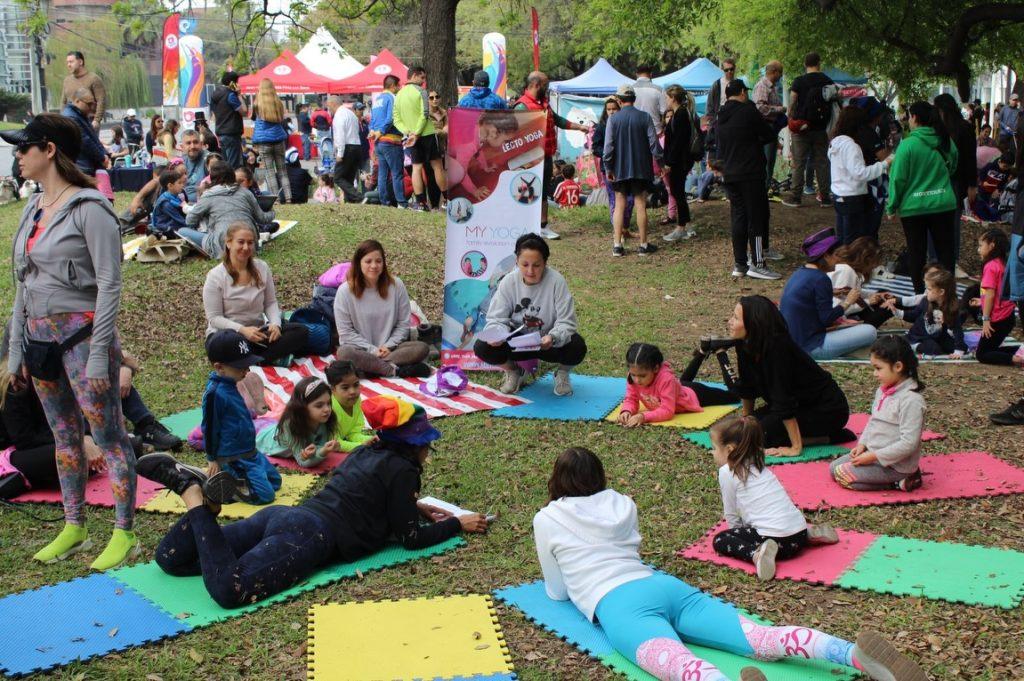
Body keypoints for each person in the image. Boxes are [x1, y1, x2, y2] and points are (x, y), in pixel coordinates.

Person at [532, 447, 925, 681]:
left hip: (618, 605)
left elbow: (557, 590)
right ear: (600, 477)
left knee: (684, 668)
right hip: (664, 587)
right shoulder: (623, 502)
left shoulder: (548, 518)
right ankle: (852, 654)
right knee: (758, 636)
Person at [139, 394, 488, 609]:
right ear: (416, 444)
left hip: (285, 517)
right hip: (310, 536)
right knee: (231, 590)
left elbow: (366, 494)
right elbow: (411, 539)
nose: (428, 451)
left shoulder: (369, 452)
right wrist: (456, 523)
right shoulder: (403, 471)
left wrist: (413, 507)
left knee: (172, 559)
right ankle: (194, 499)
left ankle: (207, 504)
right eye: (426, 443)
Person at [3, 114, 139, 570]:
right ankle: (74, 525)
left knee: (108, 436)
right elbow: (23, 282)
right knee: (64, 437)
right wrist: (16, 350)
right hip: (40, 340)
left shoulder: (90, 206)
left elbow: (110, 284)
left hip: (83, 339)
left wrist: (101, 355)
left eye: (24, 148)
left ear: (49, 150)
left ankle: (123, 533)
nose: (17, 156)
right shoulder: (32, 207)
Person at [710, 417, 839, 580]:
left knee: (721, 539)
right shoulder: (760, 466)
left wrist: (737, 533)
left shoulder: (727, 472)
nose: (712, 452)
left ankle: (756, 555)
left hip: (778, 544)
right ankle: (809, 533)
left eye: (714, 448)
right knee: (781, 524)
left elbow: (731, 512)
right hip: (797, 535)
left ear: (729, 449)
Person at [727, 295, 853, 456]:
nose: (730, 321)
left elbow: (783, 399)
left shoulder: (777, 348)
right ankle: (796, 435)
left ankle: (824, 438)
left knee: (760, 438)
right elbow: (747, 385)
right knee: (739, 433)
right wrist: (746, 419)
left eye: (736, 318)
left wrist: (795, 448)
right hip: (797, 405)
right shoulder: (743, 342)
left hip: (826, 410)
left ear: (754, 325)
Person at [474, 234, 587, 395]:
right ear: (516, 262)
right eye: (524, 264)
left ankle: (562, 373)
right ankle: (514, 371)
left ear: (545, 264)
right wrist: (497, 334)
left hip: (547, 341)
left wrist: (553, 337)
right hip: (517, 342)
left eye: (536, 265)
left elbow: (567, 322)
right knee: (483, 346)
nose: (530, 271)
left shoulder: (557, 281)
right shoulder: (508, 282)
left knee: (577, 345)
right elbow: (496, 318)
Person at [203, 223, 309, 365]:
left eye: (250, 243)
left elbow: (270, 302)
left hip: (258, 332)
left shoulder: (262, 267)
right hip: (229, 335)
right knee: (224, 346)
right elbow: (214, 318)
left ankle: (253, 360)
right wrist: (243, 330)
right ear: (228, 243)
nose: (246, 247)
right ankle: (258, 357)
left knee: (300, 331)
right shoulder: (215, 276)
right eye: (241, 242)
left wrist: (275, 324)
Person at [831, 336, 925, 492]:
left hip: (895, 465)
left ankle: (901, 480)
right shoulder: (882, 391)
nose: (875, 374)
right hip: (874, 456)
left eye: (878, 368)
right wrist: (862, 445)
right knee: (833, 468)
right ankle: (897, 482)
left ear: (898, 367)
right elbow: (873, 421)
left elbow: (909, 443)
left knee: (843, 475)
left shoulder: (911, 400)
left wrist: (873, 456)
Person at [198, 330, 281, 505]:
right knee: (265, 496)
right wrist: (212, 458)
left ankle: (235, 478)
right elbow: (210, 427)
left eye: (247, 364)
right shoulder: (215, 394)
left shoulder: (231, 384)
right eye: (240, 366)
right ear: (219, 367)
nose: (246, 370)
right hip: (234, 457)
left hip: (250, 451)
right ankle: (226, 485)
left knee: (276, 482)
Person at [887, 101, 958, 293]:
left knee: (917, 252)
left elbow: (898, 179)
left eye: (909, 116)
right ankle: (947, 294)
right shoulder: (945, 140)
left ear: (915, 118)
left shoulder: (908, 145)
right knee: (946, 252)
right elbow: (952, 166)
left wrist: (892, 206)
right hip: (943, 204)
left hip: (913, 208)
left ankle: (920, 295)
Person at [334, 239, 432, 379]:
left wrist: (388, 346)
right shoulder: (344, 291)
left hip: (391, 350)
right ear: (358, 263)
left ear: (383, 263)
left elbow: (403, 324)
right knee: (344, 353)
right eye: (368, 261)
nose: (374, 266)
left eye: (378, 261)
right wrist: (373, 350)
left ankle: (369, 369)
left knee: (422, 348)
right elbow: (346, 332)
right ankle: (395, 371)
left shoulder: (396, 285)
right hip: (361, 350)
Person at [715, 79, 780, 279]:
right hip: (751, 172)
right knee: (756, 217)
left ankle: (739, 263)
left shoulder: (720, 116)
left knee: (738, 217)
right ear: (743, 92)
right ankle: (758, 263)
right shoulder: (748, 111)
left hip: (730, 172)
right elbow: (768, 134)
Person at [514, 71, 590, 239]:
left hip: (546, 157)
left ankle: (543, 226)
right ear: (535, 85)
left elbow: (558, 120)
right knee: (527, 192)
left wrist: (579, 127)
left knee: (543, 192)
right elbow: (515, 136)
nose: (547, 89)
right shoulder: (521, 106)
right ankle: (524, 226)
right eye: (546, 86)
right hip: (529, 161)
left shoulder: (544, 104)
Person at [780, 228, 878, 359]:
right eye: (836, 255)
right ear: (826, 255)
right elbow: (826, 319)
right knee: (870, 331)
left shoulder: (800, 272)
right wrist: (847, 302)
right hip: (810, 346)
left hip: (793, 340)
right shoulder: (821, 278)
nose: (839, 260)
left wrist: (830, 293)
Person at [616, 343, 735, 428]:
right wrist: (626, 411)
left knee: (734, 395)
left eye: (642, 376)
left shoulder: (666, 380)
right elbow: (631, 399)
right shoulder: (633, 376)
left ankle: (720, 351)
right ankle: (703, 351)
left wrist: (643, 416)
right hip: (678, 388)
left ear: (656, 368)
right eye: (633, 375)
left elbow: (667, 411)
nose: (637, 380)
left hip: (695, 395)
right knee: (682, 382)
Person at [604, 84, 661, 257]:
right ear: (634, 99)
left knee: (619, 204)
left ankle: (617, 245)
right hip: (641, 168)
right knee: (640, 204)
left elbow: (608, 148)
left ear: (620, 101)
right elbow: (654, 144)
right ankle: (643, 245)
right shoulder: (645, 117)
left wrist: (608, 167)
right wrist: (662, 162)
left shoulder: (613, 120)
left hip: (619, 169)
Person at [182, 161, 276, 258]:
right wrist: (272, 211)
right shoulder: (245, 192)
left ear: (211, 177)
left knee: (182, 231)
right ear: (232, 175)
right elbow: (262, 218)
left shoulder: (208, 195)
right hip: (249, 244)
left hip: (223, 245)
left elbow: (190, 220)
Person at [828, 106, 891, 244]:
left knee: (842, 237)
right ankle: (851, 263)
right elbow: (861, 173)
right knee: (853, 239)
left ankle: (840, 262)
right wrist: (885, 164)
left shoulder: (835, 142)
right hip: (852, 197)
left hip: (838, 195)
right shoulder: (851, 146)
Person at [782, 52, 836, 207]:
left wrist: (791, 120)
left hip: (801, 128)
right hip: (820, 128)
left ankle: (796, 198)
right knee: (822, 162)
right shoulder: (827, 80)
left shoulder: (799, 81)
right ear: (819, 63)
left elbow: (792, 102)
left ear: (805, 64)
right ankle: (825, 198)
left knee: (799, 162)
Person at [962, 229, 1022, 365]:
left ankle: (1016, 358)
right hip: (1007, 315)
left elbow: (990, 294)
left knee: (982, 354)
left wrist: (986, 320)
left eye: (981, 245)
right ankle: (1020, 350)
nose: (978, 250)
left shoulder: (990, 266)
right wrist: (981, 301)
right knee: (990, 348)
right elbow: (994, 293)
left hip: (998, 318)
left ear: (992, 245)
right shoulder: (1001, 263)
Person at [934, 93, 978, 274]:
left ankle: (949, 260)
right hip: (949, 181)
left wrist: (972, 185)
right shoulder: (938, 129)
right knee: (946, 221)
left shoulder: (961, 129)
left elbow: (969, 159)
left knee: (949, 221)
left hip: (952, 180)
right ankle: (945, 260)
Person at [256, 376, 343, 468]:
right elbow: (303, 462)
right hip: (264, 441)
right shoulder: (291, 426)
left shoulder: (323, 420)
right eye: (319, 405)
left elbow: (320, 446)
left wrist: (325, 448)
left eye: (328, 403)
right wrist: (324, 451)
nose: (327, 409)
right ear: (302, 408)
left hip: (274, 427)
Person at [394, 66, 446, 210]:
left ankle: (421, 203)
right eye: (422, 78)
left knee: (416, 168)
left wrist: (408, 132)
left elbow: (396, 119)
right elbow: (424, 114)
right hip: (427, 133)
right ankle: (447, 199)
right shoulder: (421, 91)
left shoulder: (399, 94)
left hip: (411, 136)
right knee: (437, 166)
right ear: (414, 75)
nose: (424, 81)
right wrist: (417, 133)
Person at [884, 268, 966, 357]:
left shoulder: (951, 308)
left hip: (940, 336)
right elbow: (913, 315)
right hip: (920, 336)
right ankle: (913, 345)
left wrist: (959, 350)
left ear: (941, 292)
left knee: (961, 347)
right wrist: (897, 312)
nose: (926, 291)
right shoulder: (925, 301)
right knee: (934, 350)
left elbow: (957, 330)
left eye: (929, 289)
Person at [828, 237, 892, 327]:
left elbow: (851, 293)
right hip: (834, 320)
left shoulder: (849, 269)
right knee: (886, 309)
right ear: (867, 259)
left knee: (883, 296)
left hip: (841, 312)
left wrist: (873, 295)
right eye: (875, 261)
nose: (876, 266)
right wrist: (867, 302)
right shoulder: (847, 271)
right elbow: (836, 309)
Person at [592, 97, 634, 233]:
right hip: (608, 167)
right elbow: (595, 147)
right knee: (613, 198)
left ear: (620, 108)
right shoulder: (601, 127)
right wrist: (606, 153)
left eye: (614, 109)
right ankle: (618, 228)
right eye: (608, 109)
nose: (611, 112)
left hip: (626, 166)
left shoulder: (625, 124)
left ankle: (625, 225)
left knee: (630, 198)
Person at [661, 85, 697, 242]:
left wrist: (669, 162)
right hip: (678, 160)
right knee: (677, 192)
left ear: (673, 98)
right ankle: (687, 224)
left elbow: (678, 142)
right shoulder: (679, 114)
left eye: (667, 98)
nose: (666, 101)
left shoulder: (681, 114)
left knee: (678, 193)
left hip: (679, 162)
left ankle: (681, 227)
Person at [369, 75, 407, 208]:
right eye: (398, 85)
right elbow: (391, 118)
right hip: (391, 140)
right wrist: (382, 131)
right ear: (393, 86)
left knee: (382, 174)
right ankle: (401, 203)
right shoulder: (392, 98)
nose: (400, 88)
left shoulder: (377, 99)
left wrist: (373, 131)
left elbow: (372, 120)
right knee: (397, 173)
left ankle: (384, 202)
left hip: (379, 142)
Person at [251, 78, 291, 203]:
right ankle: (289, 197)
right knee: (282, 171)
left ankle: (276, 199)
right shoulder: (278, 103)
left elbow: (253, 118)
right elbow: (281, 119)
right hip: (279, 140)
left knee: (269, 172)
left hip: (264, 142)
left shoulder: (257, 104)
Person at [324, 359, 375, 452]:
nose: (352, 392)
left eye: (356, 385)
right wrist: (360, 446)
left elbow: (355, 431)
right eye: (345, 388)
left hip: (346, 437)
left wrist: (372, 437)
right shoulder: (329, 409)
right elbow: (335, 443)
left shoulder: (356, 400)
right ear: (333, 389)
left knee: (379, 434)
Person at [752, 60, 786, 188]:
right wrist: (780, 109)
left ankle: (765, 188)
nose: (781, 76)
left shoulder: (771, 87)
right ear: (774, 72)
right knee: (767, 160)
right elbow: (760, 107)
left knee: (770, 160)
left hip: (771, 128)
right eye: (780, 72)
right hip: (765, 127)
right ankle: (762, 190)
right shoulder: (762, 86)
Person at [61, 88, 109, 177]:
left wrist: (104, 153)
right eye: (89, 104)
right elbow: (85, 141)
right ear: (77, 101)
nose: (91, 107)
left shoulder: (80, 114)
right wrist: (102, 157)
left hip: (86, 164)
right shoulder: (71, 117)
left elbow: (93, 137)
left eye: (93, 104)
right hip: (82, 165)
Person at [329, 96, 363, 203]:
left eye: (329, 106)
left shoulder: (339, 115)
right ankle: (351, 201)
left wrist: (340, 153)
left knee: (338, 177)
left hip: (347, 147)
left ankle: (358, 197)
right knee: (348, 178)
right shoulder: (351, 113)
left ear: (333, 104)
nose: (329, 109)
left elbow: (340, 135)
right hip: (357, 146)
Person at [210, 71, 248, 169]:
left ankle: (226, 182)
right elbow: (244, 111)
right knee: (233, 165)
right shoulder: (230, 95)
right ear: (233, 83)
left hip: (220, 133)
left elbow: (214, 114)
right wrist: (239, 95)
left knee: (226, 163)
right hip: (232, 133)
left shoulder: (214, 94)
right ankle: (232, 183)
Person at [61, 51, 105, 131]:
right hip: (71, 121)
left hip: (89, 122)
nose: (68, 65)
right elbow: (64, 102)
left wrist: (97, 120)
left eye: (71, 62)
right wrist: (63, 120)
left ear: (80, 62)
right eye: (67, 62)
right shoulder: (67, 80)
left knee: (89, 143)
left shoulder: (94, 79)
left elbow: (101, 100)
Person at [705, 57, 736, 152]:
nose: (729, 72)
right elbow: (710, 106)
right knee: (720, 152)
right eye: (726, 70)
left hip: (735, 122)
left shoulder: (739, 83)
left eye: (731, 69)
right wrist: (710, 125)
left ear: (735, 69)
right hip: (719, 123)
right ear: (723, 70)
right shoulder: (717, 85)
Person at [150, 167, 190, 238]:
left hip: (172, 221)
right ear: (170, 186)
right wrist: (192, 225)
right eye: (179, 183)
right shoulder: (166, 203)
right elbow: (179, 219)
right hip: (164, 227)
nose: (182, 185)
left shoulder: (176, 196)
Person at [632, 65, 665, 134]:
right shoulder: (659, 89)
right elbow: (664, 111)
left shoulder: (630, 89)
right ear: (651, 74)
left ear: (636, 74)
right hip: (655, 130)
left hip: (634, 130)